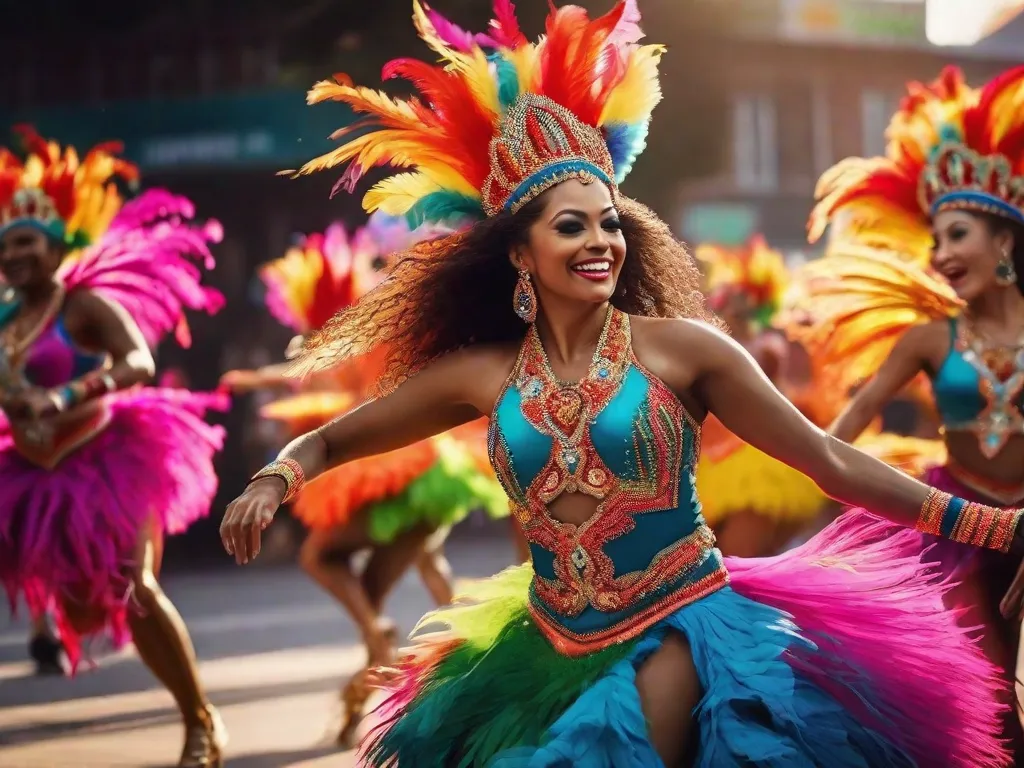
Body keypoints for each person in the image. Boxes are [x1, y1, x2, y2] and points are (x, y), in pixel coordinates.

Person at [221, 3, 1019, 765]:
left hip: (681, 620)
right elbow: (332, 438)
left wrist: (994, 528)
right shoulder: (481, 375)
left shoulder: (685, 352)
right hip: (546, 639)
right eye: (571, 225)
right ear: (518, 255)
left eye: (610, 221)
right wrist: (275, 476)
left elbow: (826, 459)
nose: (601, 239)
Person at [795, 63, 1024, 754]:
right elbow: (838, 434)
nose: (941, 254)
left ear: (1005, 241)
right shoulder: (929, 339)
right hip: (955, 526)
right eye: (935, 240)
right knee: (988, 690)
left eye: (957, 235)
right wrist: (823, 462)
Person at [219, 215, 508, 746]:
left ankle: (379, 636)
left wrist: (259, 382)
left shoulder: (376, 322)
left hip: (387, 461)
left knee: (320, 558)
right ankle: (358, 706)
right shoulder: (417, 324)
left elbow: (317, 371)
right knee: (381, 591)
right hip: (430, 473)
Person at [0, 127, 228, 767]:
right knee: (85, 605)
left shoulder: (81, 306)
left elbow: (139, 361)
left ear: (53, 247)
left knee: (137, 586)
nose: (13, 256)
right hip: (32, 477)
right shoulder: (5, 321)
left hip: (109, 462)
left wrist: (65, 396)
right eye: (5, 246)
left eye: (25, 243)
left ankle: (200, 723)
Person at [693, 237, 826, 556]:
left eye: (739, 300)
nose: (729, 307)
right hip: (707, 459)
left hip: (752, 457)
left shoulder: (765, 349)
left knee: (739, 559)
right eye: (726, 299)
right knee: (705, 560)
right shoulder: (705, 346)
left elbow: (777, 400)